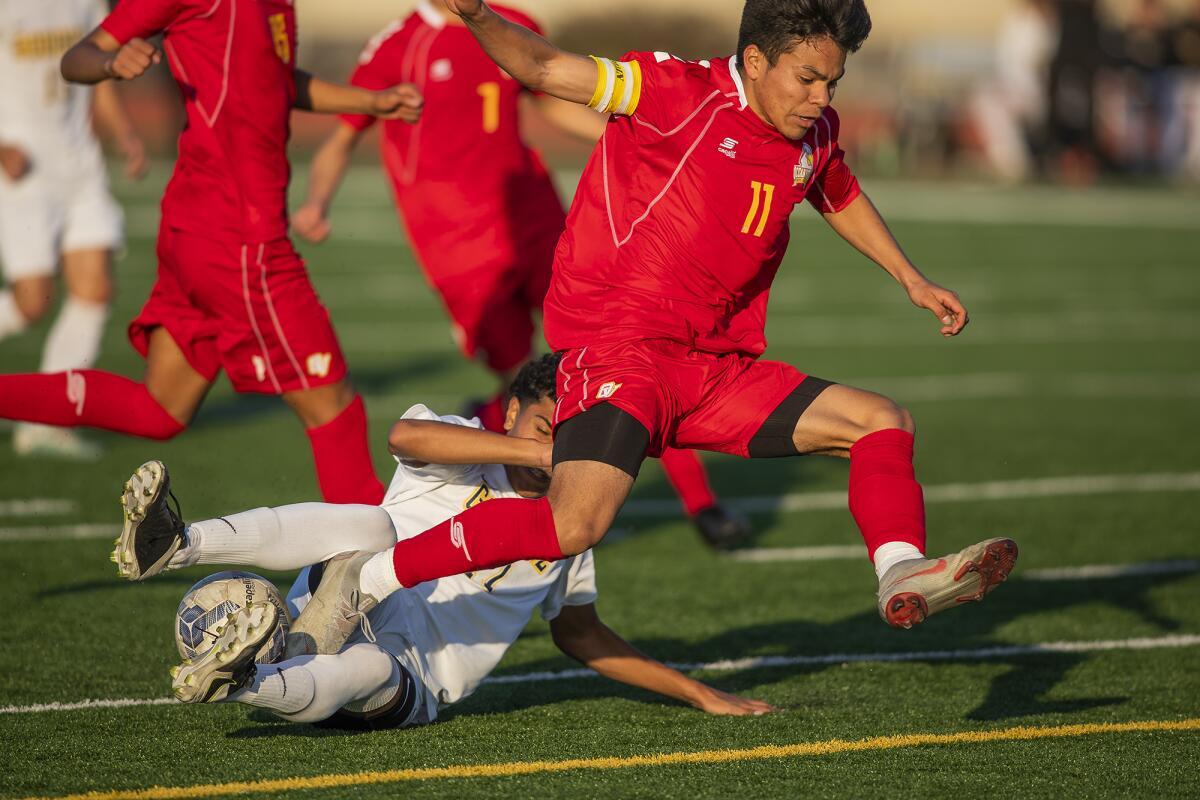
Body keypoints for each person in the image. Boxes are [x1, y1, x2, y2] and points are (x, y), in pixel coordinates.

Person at [291, 0, 1019, 654]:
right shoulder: (671, 91)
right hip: (623, 348)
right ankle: (371, 577)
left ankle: (902, 572)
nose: (821, 97)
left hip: (715, 368)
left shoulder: (815, 131)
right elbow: (545, 67)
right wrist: (478, 15)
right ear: (757, 60)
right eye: (807, 79)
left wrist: (911, 278)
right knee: (574, 526)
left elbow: (837, 190)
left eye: (833, 81)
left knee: (881, 420)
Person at [292, 0, 749, 548]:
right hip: (457, 249)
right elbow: (343, 135)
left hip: (538, 220)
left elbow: (550, 101)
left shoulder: (514, 25)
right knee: (522, 379)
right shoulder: (396, 47)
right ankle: (492, 425)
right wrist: (316, 202)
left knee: (626, 349)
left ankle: (702, 503)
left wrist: (634, 140)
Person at [115, 355, 775, 725]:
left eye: (571, 438)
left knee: (370, 672)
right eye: (546, 426)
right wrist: (535, 452)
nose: (555, 447)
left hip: (415, 676)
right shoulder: (464, 441)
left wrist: (697, 691)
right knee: (371, 526)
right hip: (344, 596)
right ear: (513, 411)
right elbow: (405, 437)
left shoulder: (574, 527)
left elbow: (582, 636)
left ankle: (242, 681)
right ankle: (178, 542)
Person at [0, 0, 424, 504]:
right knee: (334, 409)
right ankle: (368, 577)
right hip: (240, 242)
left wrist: (367, 102)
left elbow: (276, 82)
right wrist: (112, 63)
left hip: (199, 231)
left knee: (159, 410)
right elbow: (79, 57)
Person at [0, 0, 146, 459]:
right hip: (21, 170)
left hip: (80, 166)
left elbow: (97, 75)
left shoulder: (87, 3)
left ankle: (44, 425)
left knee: (95, 289)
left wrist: (124, 133)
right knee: (31, 302)